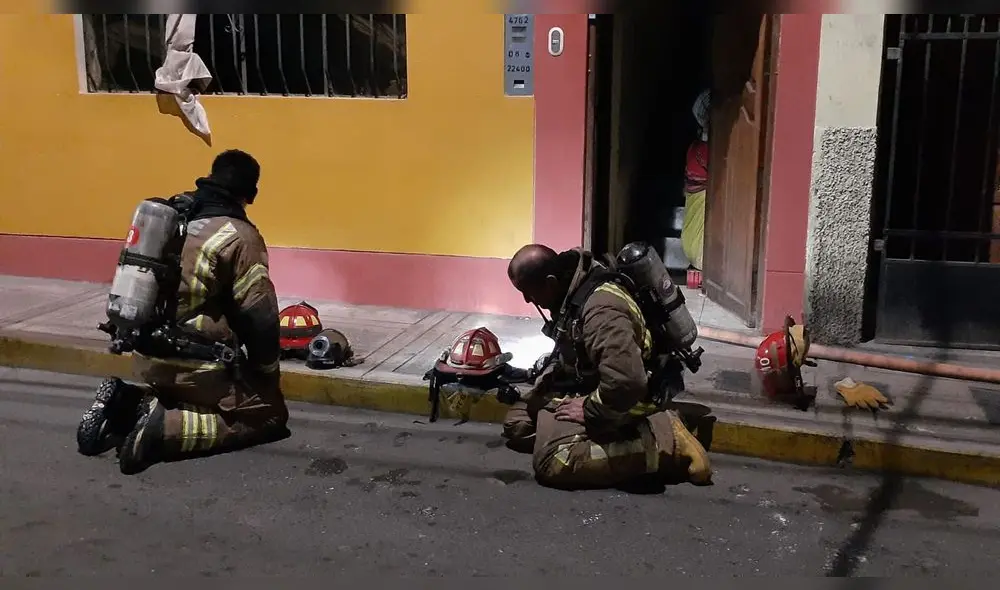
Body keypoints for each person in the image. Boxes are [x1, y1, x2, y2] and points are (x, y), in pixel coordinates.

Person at [77, 149, 290, 475]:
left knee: (184, 389)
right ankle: (163, 429)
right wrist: (266, 371)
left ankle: (126, 400)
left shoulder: (171, 217)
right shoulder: (238, 236)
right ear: (252, 194)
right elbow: (258, 316)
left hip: (145, 356)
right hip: (197, 368)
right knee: (268, 414)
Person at [502, 244, 713, 490]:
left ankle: (667, 439)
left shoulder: (601, 311)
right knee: (518, 424)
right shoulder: (571, 290)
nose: (528, 299)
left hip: (632, 395)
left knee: (554, 461)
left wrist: (590, 409)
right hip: (594, 382)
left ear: (550, 282)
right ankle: (575, 434)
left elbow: (627, 382)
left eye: (528, 291)